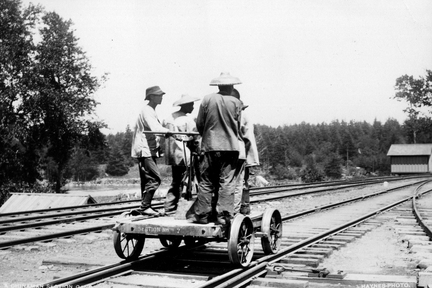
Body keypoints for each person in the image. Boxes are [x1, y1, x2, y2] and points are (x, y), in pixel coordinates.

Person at [186, 72, 244, 225]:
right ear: (232, 86)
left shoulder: (207, 99)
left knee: (206, 181)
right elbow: (238, 127)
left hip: (210, 146)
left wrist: (207, 134)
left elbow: (200, 124)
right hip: (230, 147)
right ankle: (223, 216)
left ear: (218, 85)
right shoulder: (237, 102)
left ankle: (202, 215)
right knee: (227, 181)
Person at [130, 85, 171, 216]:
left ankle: (145, 207)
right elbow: (155, 127)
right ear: (152, 97)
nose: (162, 97)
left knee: (148, 179)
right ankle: (145, 207)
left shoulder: (151, 110)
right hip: (145, 150)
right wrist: (169, 132)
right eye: (159, 95)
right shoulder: (147, 110)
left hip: (149, 150)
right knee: (155, 178)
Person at [163, 94, 200, 215]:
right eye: (192, 105)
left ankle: (170, 207)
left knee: (176, 180)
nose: (193, 108)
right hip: (184, 153)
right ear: (186, 105)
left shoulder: (169, 118)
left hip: (172, 154)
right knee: (186, 181)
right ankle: (182, 207)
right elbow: (194, 136)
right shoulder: (188, 120)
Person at [232, 89, 260, 215]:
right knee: (240, 183)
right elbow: (248, 139)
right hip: (239, 152)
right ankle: (239, 210)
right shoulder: (244, 117)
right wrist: (250, 159)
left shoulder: (220, 114)